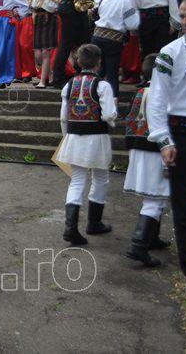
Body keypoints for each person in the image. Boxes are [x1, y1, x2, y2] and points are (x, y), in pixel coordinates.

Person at [146, 0, 186, 298]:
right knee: (183, 206)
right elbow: (156, 100)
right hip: (182, 134)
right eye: (182, 16)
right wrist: (163, 140)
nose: (185, 22)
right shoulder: (170, 53)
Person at [56, 44, 117, 245]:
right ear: (99, 62)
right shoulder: (103, 85)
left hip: (74, 137)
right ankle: (94, 222)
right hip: (97, 137)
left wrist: (66, 137)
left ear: (78, 62)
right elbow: (109, 114)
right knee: (101, 178)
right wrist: (112, 122)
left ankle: (70, 228)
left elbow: (63, 116)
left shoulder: (69, 85)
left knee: (77, 180)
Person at [122, 54, 170, 268]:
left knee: (154, 195)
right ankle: (138, 244)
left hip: (137, 147)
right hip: (155, 150)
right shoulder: (165, 94)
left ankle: (152, 237)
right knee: (156, 198)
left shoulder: (139, 92)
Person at [90, 0, 140, 98]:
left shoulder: (104, 0)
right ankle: (112, 102)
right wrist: (137, 13)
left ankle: (92, 97)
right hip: (113, 40)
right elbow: (132, 25)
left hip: (97, 37)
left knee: (99, 71)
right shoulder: (126, 3)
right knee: (112, 74)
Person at [28, 0, 60, 88]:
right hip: (38, 20)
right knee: (38, 54)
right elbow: (31, 6)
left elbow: (55, 7)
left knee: (46, 51)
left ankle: (42, 81)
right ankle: (49, 74)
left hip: (49, 20)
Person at [120, 0, 142, 85]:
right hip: (123, 19)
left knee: (134, 48)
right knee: (127, 48)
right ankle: (127, 71)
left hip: (134, 17)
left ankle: (135, 73)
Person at [12, 0, 36, 83]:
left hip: (27, 18)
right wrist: (12, 10)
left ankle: (28, 73)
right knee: (15, 47)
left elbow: (34, 3)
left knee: (25, 46)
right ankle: (18, 74)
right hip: (14, 20)